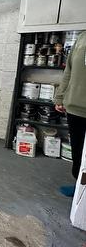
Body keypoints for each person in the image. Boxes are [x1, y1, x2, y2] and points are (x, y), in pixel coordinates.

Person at [55, 31, 86, 197]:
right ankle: (79, 185)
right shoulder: (81, 38)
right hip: (75, 106)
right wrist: (60, 97)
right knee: (78, 149)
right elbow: (68, 71)